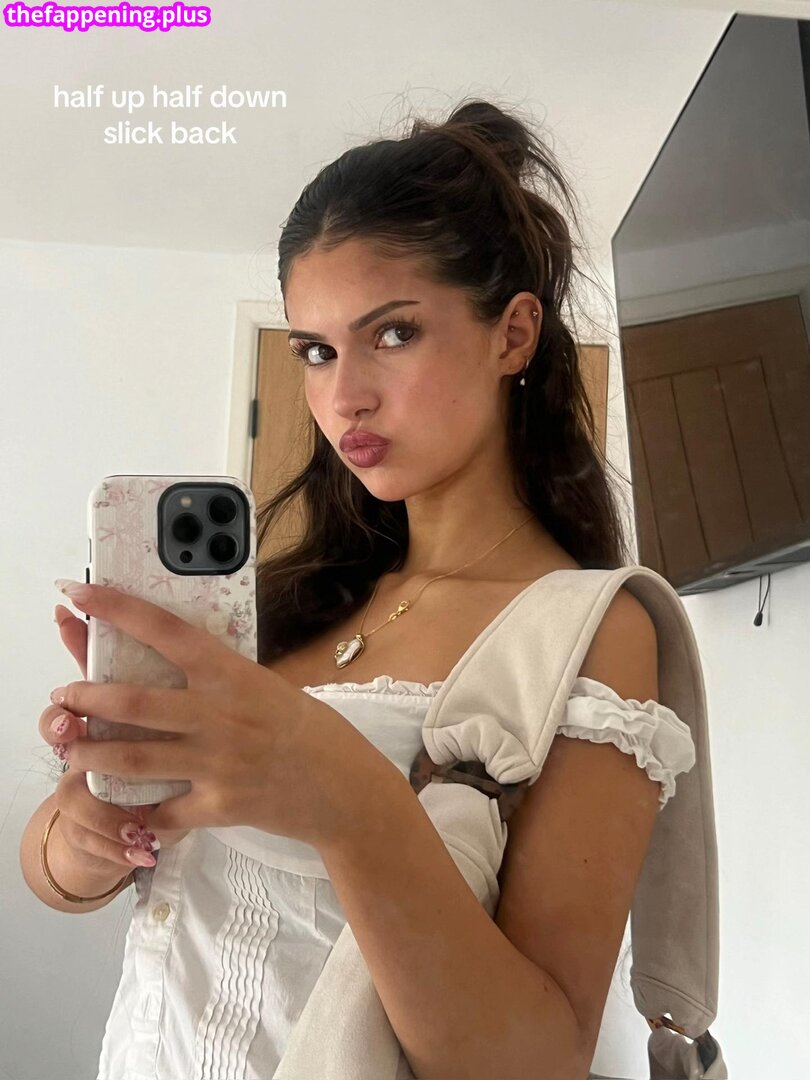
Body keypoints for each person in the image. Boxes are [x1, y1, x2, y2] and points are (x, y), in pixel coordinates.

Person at [22, 98, 696, 1079]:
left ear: (513, 335)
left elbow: (538, 1060)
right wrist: (84, 829)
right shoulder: (281, 605)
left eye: (394, 334)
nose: (344, 397)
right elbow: (73, 879)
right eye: (316, 350)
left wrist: (350, 801)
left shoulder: (589, 630)